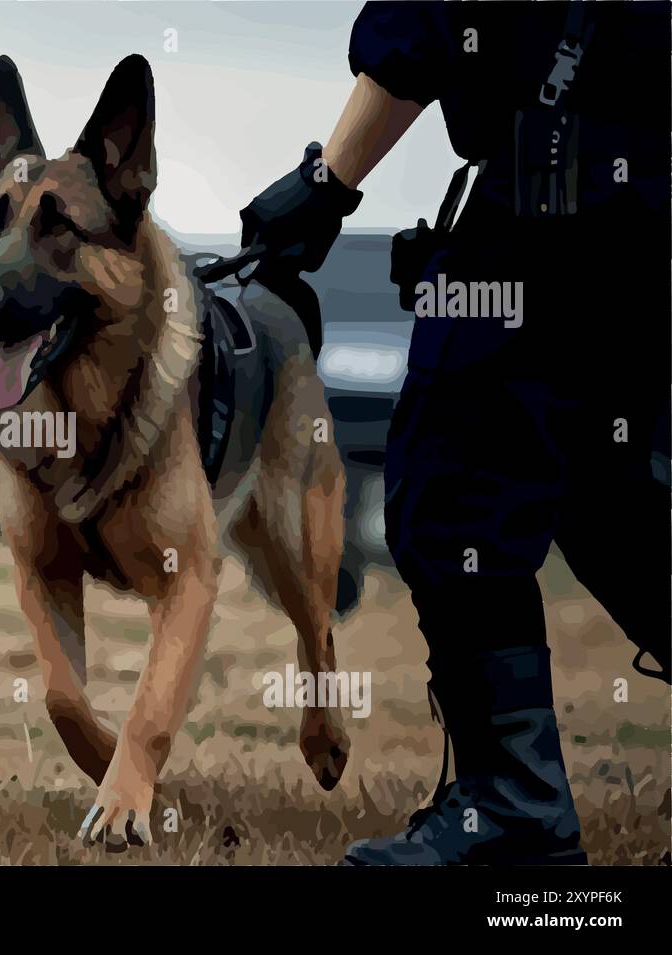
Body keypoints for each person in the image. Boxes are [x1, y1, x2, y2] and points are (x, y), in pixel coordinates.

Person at [239, 0, 670, 865]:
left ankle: (514, 812)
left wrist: (326, 185)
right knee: (615, 495)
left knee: (455, 487)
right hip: (636, 199)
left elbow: (431, 23)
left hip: (560, 194)